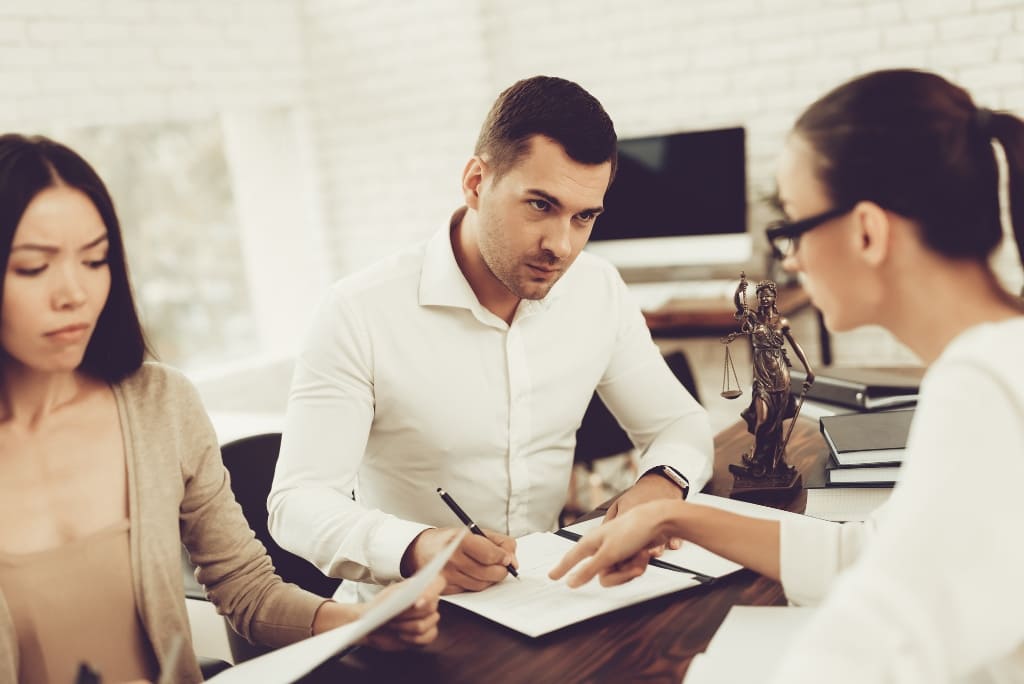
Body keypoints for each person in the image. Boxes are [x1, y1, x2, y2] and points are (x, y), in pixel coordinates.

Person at [550, 68, 1024, 682]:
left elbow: (871, 649)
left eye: (793, 226)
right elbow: (870, 553)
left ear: (866, 231)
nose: (791, 257)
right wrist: (671, 516)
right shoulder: (995, 362)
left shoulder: (984, 386)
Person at [0, 134, 443, 684]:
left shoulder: (160, 405)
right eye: (33, 268)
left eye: (95, 259)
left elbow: (247, 589)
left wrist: (355, 621)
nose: (73, 293)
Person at [268, 75, 713, 602]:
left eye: (584, 217)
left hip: (548, 598)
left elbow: (679, 424)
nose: (561, 246)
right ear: (476, 181)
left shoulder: (600, 290)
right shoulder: (357, 311)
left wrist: (661, 483)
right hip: (408, 615)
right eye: (540, 206)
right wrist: (415, 546)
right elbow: (296, 502)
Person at [722, 273, 814, 478]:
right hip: (761, 375)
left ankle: (775, 461)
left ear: (774, 297)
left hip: (781, 375)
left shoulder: (782, 321)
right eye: (761, 295)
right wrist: (740, 288)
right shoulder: (753, 318)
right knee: (763, 419)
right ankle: (758, 458)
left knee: (777, 421)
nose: (764, 298)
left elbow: (795, 345)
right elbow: (739, 304)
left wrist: (809, 369)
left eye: (768, 295)